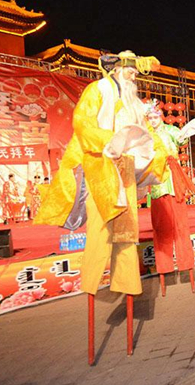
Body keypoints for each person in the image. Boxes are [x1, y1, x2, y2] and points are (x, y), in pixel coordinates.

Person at [34, 50, 167, 362]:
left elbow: (149, 140)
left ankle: (127, 284)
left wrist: (154, 152)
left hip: (127, 173)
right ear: (117, 70)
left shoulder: (135, 104)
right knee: (100, 234)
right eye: (130, 72)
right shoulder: (97, 91)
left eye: (137, 73)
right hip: (101, 171)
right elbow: (82, 124)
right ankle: (93, 284)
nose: (134, 77)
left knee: (127, 238)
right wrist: (110, 140)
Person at [143, 99, 195, 295]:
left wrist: (186, 132)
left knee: (181, 227)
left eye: (156, 116)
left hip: (174, 182)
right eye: (150, 117)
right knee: (161, 229)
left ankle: (186, 266)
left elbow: (182, 140)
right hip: (157, 183)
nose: (153, 119)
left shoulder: (171, 131)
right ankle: (164, 269)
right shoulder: (146, 135)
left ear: (161, 116)